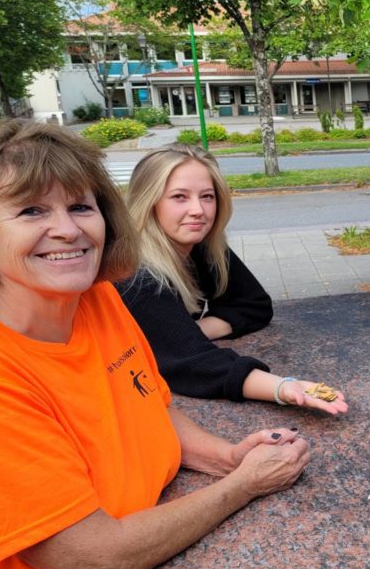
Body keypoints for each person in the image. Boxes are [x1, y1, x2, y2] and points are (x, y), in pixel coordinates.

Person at [0, 121, 312, 569]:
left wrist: (226, 456)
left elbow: (149, 404)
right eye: (32, 211)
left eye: (82, 207)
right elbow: (91, 563)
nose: (67, 230)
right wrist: (242, 487)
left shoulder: (95, 297)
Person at [118, 144, 347, 412]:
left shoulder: (199, 243)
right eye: (179, 197)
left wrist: (196, 330)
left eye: (207, 196)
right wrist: (283, 387)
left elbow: (255, 304)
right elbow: (193, 364)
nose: (198, 210)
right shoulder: (134, 274)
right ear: (148, 201)